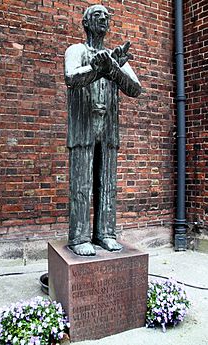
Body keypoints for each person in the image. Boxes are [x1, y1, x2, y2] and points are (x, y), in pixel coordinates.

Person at [64, 4, 141, 256]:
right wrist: (97, 69)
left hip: (108, 127)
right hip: (83, 124)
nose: (104, 20)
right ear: (86, 23)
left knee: (107, 183)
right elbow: (71, 78)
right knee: (82, 183)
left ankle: (106, 233)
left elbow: (134, 88)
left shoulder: (113, 56)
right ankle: (79, 237)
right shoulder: (76, 50)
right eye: (98, 16)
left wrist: (113, 68)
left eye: (107, 17)